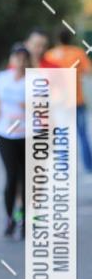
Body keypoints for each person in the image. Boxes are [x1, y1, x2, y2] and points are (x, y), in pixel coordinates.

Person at [0, 43, 30, 238]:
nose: (21, 61)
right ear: (11, 59)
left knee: (26, 181)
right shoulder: (2, 78)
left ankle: (23, 219)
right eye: (17, 57)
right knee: (11, 177)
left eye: (24, 58)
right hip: (5, 134)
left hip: (27, 135)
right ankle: (9, 219)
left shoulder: (34, 81)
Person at [44, 28, 92, 172]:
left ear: (57, 40)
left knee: (61, 135)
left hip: (58, 103)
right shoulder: (78, 53)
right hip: (76, 100)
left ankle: (62, 167)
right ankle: (89, 166)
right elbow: (88, 72)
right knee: (82, 135)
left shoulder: (50, 55)